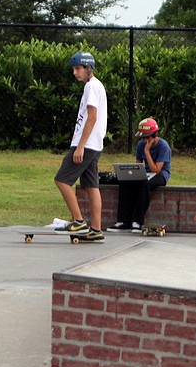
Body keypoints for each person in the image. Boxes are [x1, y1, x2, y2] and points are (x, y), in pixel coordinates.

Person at [54, 51, 108, 242]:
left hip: (87, 144)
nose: (75, 73)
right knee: (91, 185)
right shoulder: (96, 86)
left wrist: (80, 146)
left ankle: (78, 221)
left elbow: (92, 117)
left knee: (62, 180)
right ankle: (95, 229)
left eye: (78, 69)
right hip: (95, 144)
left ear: (88, 68)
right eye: (74, 69)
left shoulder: (91, 87)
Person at [109, 117, 172, 232]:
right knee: (125, 182)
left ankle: (137, 221)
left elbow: (157, 170)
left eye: (147, 137)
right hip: (146, 173)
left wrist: (147, 152)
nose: (145, 140)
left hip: (161, 175)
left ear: (154, 135)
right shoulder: (140, 145)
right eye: (143, 137)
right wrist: (133, 175)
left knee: (145, 184)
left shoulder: (163, 146)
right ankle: (124, 221)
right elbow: (138, 166)